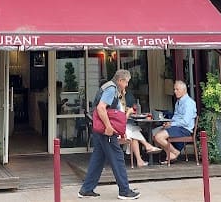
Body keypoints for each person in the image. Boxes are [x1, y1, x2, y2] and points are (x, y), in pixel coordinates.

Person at [78, 69, 140, 200]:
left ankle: (86, 189)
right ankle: (124, 190)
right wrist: (109, 126)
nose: (127, 85)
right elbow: (101, 108)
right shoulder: (111, 89)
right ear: (120, 80)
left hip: (99, 130)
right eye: (126, 82)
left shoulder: (109, 87)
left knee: (98, 159)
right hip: (106, 131)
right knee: (118, 158)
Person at [152, 80, 197, 164]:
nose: (175, 91)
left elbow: (186, 122)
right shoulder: (178, 102)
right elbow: (175, 118)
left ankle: (175, 152)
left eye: (177, 89)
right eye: (174, 89)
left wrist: (172, 124)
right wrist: (168, 123)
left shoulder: (189, 103)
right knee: (154, 135)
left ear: (184, 90)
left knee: (159, 137)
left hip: (184, 129)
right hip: (176, 127)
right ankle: (170, 153)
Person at [119, 90, 161, 167]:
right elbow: (122, 122)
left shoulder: (120, 105)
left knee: (134, 132)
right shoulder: (117, 105)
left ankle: (139, 160)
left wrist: (127, 111)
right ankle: (147, 146)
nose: (125, 92)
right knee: (133, 130)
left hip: (121, 128)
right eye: (123, 91)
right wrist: (128, 113)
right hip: (118, 130)